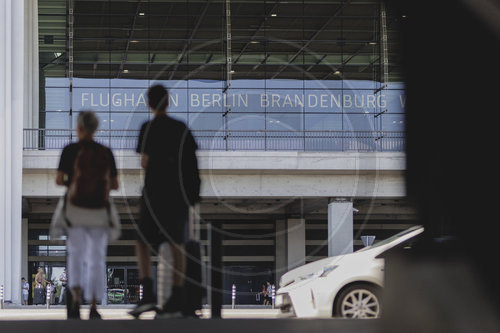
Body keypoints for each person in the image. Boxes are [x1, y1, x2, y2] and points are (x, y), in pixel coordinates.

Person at [129, 84, 201, 318]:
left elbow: (144, 162)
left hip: (154, 194)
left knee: (142, 242)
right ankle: (177, 295)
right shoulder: (181, 128)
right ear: (168, 102)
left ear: (149, 103)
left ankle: (148, 292)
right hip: (178, 196)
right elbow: (192, 163)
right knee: (176, 244)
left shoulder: (148, 127)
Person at [53, 111, 120, 320]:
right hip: (99, 212)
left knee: (76, 255)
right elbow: (115, 184)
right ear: (95, 128)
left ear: (78, 127)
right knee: (96, 258)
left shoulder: (70, 150)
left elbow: (58, 180)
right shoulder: (106, 152)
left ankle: (75, 299)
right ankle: (92, 306)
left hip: (75, 211)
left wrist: (72, 185)